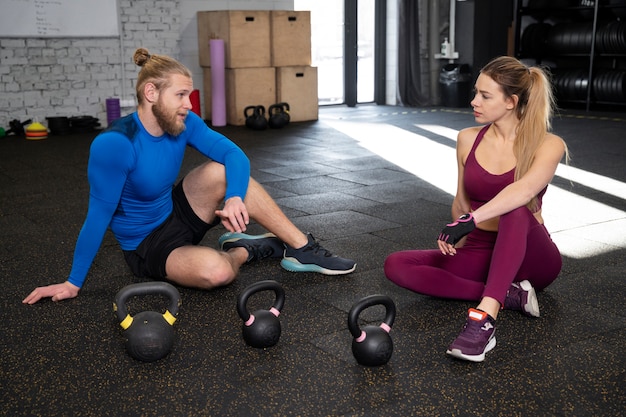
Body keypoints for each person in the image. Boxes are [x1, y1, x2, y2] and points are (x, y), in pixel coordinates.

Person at [23, 48, 356, 305]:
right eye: (180, 95)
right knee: (218, 272)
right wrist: (73, 282)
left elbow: (233, 155)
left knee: (222, 172)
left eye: (190, 95)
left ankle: (301, 247)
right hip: (146, 245)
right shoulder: (115, 145)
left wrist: (235, 196)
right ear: (151, 93)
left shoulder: (183, 122)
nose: (188, 104)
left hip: (176, 210)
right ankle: (245, 250)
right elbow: (97, 217)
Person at [384, 56, 568, 362]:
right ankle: (508, 294)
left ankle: (484, 317)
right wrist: (460, 233)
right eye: (475, 93)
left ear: (511, 101)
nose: (474, 101)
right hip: (483, 248)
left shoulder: (548, 144)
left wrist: (471, 219)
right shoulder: (467, 139)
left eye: (484, 95)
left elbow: (522, 191)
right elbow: (462, 200)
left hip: (532, 256)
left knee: (516, 207)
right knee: (396, 265)